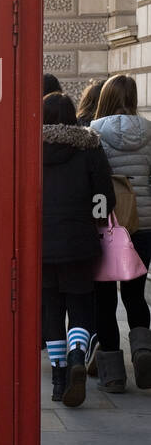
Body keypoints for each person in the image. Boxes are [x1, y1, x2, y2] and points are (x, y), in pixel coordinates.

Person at [41, 92, 113, 406]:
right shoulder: (90, 147)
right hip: (81, 242)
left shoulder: (30, 148)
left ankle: (58, 380)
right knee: (81, 307)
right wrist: (92, 218)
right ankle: (76, 358)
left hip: (40, 244)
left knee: (52, 310)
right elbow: (105, 199)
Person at [89, 74, 151, 391]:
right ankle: (142, 350)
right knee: (134, 294)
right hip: (142, 226)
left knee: (103, 299)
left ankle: (113, 373)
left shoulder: (94, 132)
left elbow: (91, 180)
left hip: (106, 224)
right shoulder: (150, 131)